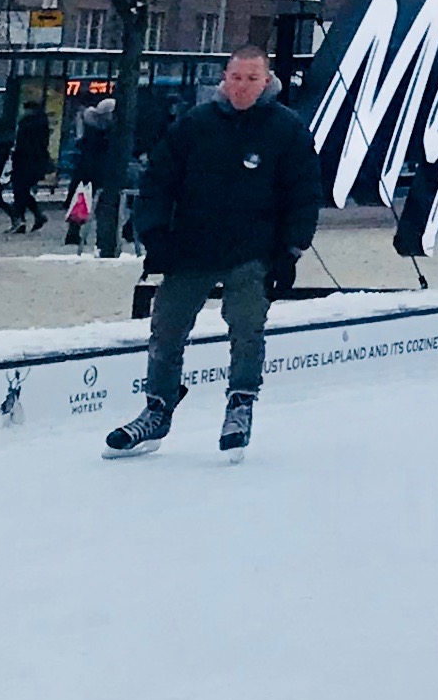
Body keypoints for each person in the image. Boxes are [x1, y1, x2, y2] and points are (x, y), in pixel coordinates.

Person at [103, 50, 320, 457]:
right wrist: (155, 235)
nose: (241, 86)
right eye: (235, 77)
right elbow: (159, 181)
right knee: (166, 328)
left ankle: (240, 402)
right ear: (224, 78)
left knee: (246, 326)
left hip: (252, 250)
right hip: (190, 248)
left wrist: (290, 250)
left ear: (266, 81)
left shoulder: (286, 129)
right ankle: (158, 409)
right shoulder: (194, 125)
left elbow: (304, 193)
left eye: (251, 79)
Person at [65, 97, 132, 256]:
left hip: (92, 173)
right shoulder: (105, 133)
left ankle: (79, 233)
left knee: (88, 202)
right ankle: (93, 237)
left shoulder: (96, 131)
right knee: (92, 203)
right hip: (95, 173)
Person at [5, 102, 53, 236]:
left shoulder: (29, 124)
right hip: (33, 163)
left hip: (26, 162)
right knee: (23, 191)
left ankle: (21, 221)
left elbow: (25, 144)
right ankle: (34, 216)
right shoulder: (41, 123)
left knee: (20, 191)